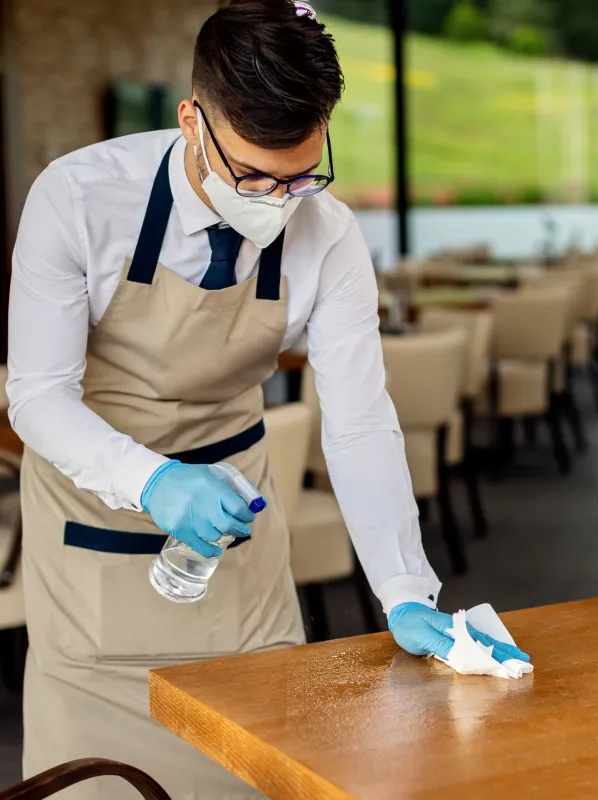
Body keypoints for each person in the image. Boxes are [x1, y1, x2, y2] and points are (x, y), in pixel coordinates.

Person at [6, 1, 529, 797]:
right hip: (93, 545)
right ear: (192, 120)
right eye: (253, 174)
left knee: (257, 776)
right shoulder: (77, 200)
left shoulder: (330, 234)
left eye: (301, 174)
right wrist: (153, 481)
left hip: (239, 551)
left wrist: (403, 589)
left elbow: (357, 422)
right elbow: (37, 399)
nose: (278, 201)